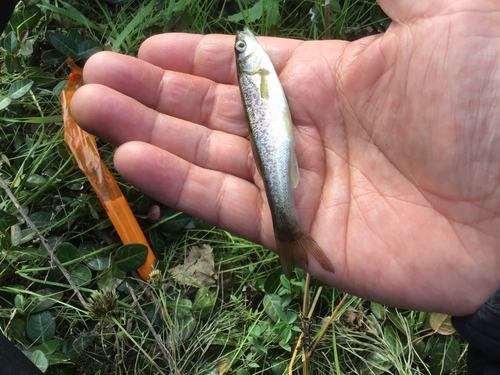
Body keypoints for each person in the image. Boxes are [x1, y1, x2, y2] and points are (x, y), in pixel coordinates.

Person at [70, 0, 500, 372]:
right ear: (248, 60)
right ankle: (288, 229)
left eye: (243, 44)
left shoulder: (253, 66)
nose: (245, 41)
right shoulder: (252, 65)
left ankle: (288, 230)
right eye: (243, 46)